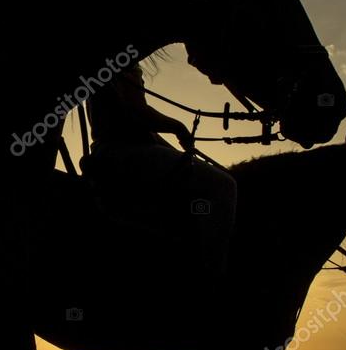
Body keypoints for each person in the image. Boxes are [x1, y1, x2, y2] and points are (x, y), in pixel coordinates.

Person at [83, 63, 237, 277]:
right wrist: (178, 128)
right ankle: (213, 276)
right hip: (125, 153)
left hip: (115, 151)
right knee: (224, 186)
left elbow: (140, 126)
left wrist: (176, 150)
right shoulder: (123, 64)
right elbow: (137, 113)